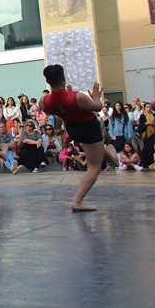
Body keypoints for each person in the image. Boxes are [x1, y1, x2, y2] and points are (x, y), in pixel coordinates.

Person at [40, 65, 117, 212]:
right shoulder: (78, 97)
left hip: (72, 130)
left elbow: (57, 107)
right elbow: (98, 107)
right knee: (94, 167)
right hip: (89, 129)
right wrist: (95, 96)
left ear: (48, 81)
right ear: (63, 79)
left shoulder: (44, 101)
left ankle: (109, 155)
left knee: (102, 155)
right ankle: (77, 201)